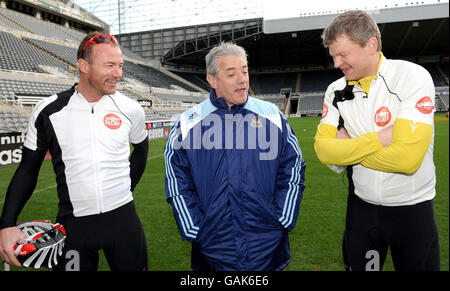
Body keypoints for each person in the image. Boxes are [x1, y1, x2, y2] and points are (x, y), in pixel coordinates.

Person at [0, 32, 149, 271]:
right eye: (109, 65)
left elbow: (141, 149)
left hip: (124, 222)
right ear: (84, 66)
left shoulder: (131, 109)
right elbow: (27, 170)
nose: (118, 74)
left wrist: (125, 190)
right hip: (74, 226)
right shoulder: (48, 111)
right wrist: (7, 224)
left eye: (120, 66)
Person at [314, 10, 440, 271]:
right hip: (362, 210)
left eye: (343, 55)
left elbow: (407, 160)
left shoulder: (411, 77)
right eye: (333, 56)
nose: (337, 63)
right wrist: (381, 139)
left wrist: (348, 147)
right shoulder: (335, 90)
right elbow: (324, 151)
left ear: (371, 45)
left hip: (413, 211)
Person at [164, 42, 305, 271]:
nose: (242, 79)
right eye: (231, 73)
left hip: (268, 249)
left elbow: (293, 167)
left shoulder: (273, 116)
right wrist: (193, 227)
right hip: (212, 250)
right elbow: (177, 180)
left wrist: (283, 219)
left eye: (245, 70)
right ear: (213, 80)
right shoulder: (188, 123)